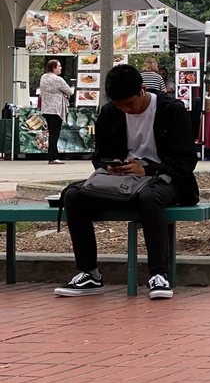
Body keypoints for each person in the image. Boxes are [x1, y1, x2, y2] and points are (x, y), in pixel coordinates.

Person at [55, 64, 199, 299]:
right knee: (73, 195)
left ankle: (158, 275)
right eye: (119, 105)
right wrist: (111, 165)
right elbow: (99, 157)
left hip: (164, 180)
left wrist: (147, 169)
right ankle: (89, 272)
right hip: (120, 182)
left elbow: (185, 161)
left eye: (129, 104)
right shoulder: (111, 112)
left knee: (149, 197)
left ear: (142, 90)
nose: (126, 110)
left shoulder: (171, 110)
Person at [39, 59, 73, 165]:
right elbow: (69, 91)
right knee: (55, 134)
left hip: (46, 108)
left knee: (51, 133)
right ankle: (53, 157)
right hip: (56, 110)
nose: (61, 68)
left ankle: (52, 156)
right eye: (58, 66)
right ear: (53, 67)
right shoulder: (58, 79)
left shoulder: (43, 77)